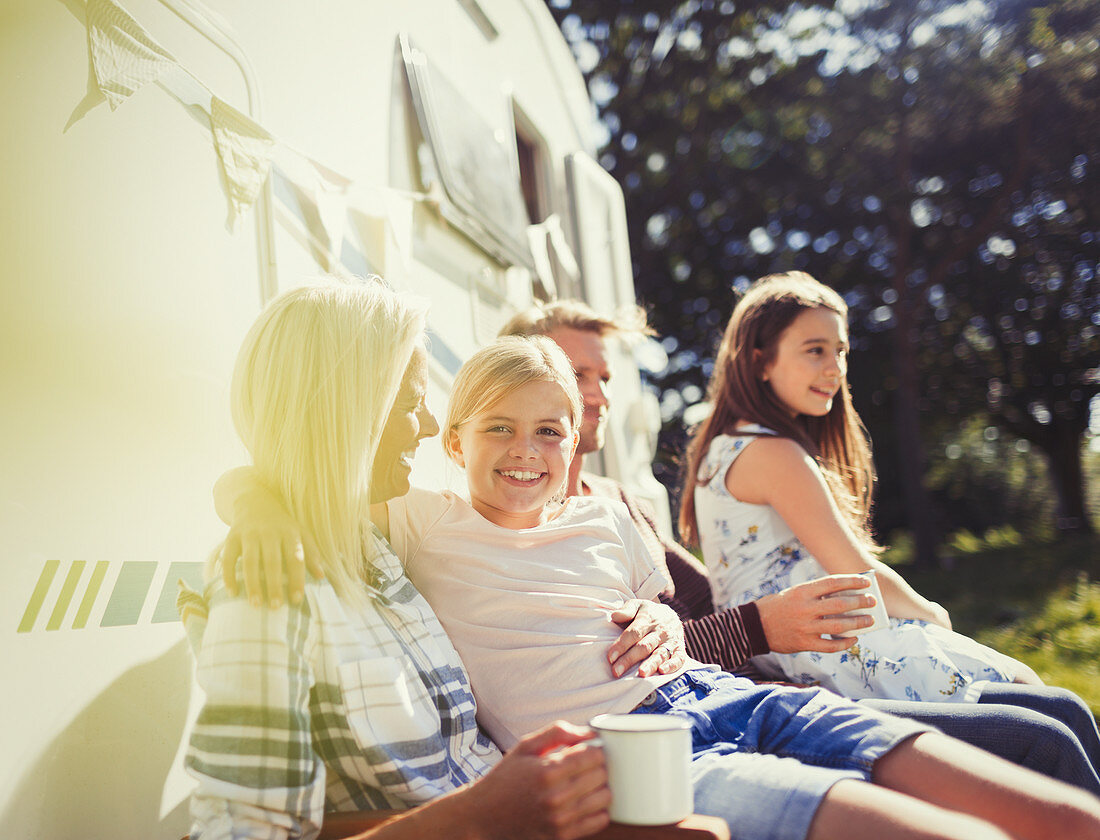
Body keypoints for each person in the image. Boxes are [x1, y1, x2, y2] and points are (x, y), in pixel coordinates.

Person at [376, 334, 1100, 840]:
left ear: (574, 440)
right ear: (454, 440)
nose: (525, 451)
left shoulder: (606, 519)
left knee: (1069, 821)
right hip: (643, 754)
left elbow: (660, 620)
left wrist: (664, 627)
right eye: (498, 428)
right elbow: (301, 472)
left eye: (549, 431)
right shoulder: (422, 524)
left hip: (740, 700)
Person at [181, 281, 615, 840]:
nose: (434, 427)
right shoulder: (267, 584)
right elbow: (243, 832)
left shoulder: (372, 548)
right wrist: (480, 814)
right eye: (413, 404)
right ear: (346, 412)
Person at [678, 272, 1097, 707]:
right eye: (815, 350)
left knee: (1029, 693)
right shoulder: (774, 452)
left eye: (840, 351)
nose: (834, 368)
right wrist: (932, 613)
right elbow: (858, 572)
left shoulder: (723, 447)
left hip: (788, 648)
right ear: (761, 361)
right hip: (819, 640)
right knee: (1026, 687)